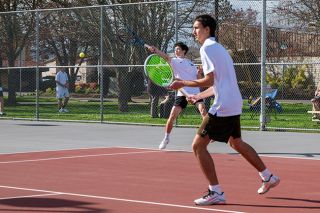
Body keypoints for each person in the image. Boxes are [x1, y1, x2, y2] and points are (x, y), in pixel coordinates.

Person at [170, 14, 280, 205]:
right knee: (236, 143)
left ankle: (216, 192)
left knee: (198, 146)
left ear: (207, 29)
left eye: (196, 28)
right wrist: (198, 96)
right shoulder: (218, 48)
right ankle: (268, 176)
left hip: (224, 105)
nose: (194, 31)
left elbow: (209, 80)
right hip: (233, 102)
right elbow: (218, 83)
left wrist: (183, 82)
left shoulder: (207, 49)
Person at [148, 42, 207, 150]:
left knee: (203, 111)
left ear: (184, 51)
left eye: (178, 49)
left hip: (195, 92)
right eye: (175, 49)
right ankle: (166, 138)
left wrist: (199, 72)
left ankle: (207, 133)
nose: (176, 51)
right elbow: (165, 56)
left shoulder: (191, 63)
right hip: (182, 92)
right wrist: (155, 50)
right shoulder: (174, 61)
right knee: (172, 116)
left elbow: (197, 79)